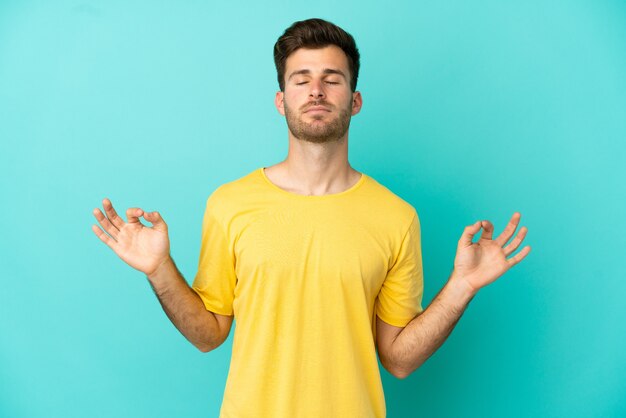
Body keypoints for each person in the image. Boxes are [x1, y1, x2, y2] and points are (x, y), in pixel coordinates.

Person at [91, 18, 531, 418]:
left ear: (354, 100)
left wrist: (461, 287)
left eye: (331, 80)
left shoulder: (397, 217)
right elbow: (209, 334)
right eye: (301, 80)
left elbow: (398, 359)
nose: (316, 91)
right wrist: (159, 269)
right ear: (282, 100)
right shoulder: (230, 204)